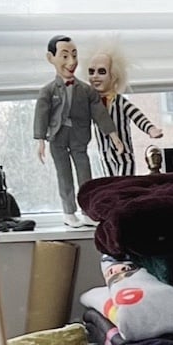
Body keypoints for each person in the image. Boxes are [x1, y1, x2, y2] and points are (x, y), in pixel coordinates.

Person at [33, 36, 123, 221]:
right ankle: (68, 211)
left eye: (74, 55)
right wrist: (40, 140)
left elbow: (99, 112)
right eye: (65, 56)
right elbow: (41, 114)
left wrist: (113, 135)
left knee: (85, 174)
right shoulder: (48, 91)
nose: (71, 61)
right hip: (57, 138)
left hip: (79, 137)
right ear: (51, 58)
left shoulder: (87, 90)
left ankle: (87, 210)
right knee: (64, 175)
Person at [83, 41, 162, 176]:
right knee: (110, 187)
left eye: (101, 71)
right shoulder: (92, 104)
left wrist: (150, 129)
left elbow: (137, 116)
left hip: (124, 156)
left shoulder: (120, 102)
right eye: (91, 72)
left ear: (113, 77)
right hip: (105, 155)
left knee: (124, 186)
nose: (95, 76)